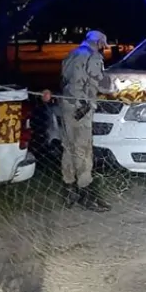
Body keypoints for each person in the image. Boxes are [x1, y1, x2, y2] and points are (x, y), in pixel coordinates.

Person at [56, 30, 114, 211]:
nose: (103, 49)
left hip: (66, 106)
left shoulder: (71, 55)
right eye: (103, 46)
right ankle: (86, 193)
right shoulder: (93, 57)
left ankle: (69, 189)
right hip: (82, 109)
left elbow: (64, 79)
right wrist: (115, 85)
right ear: (99, 43)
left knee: (68, 147)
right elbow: (104, 85)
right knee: (83, 150)